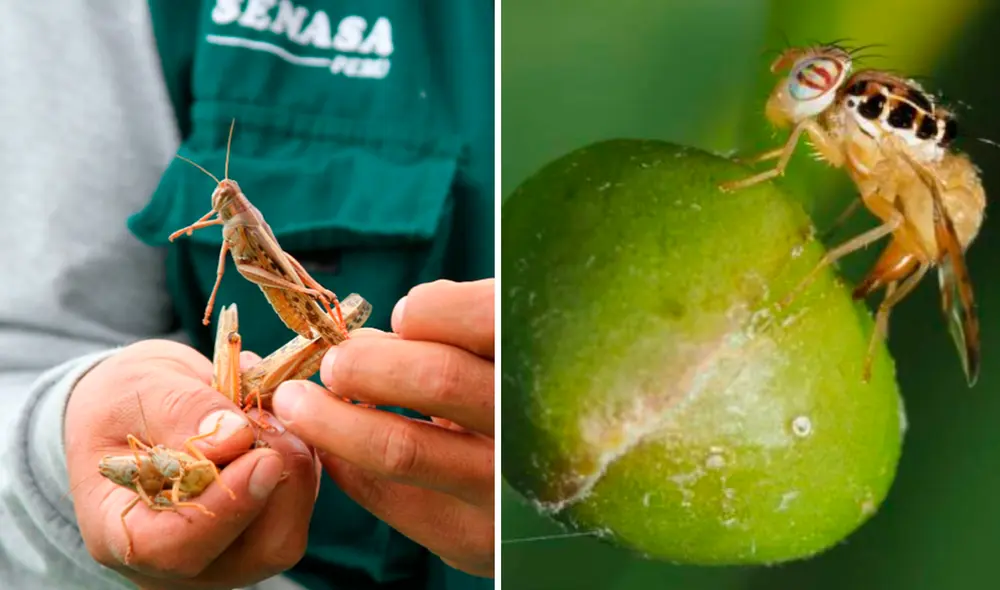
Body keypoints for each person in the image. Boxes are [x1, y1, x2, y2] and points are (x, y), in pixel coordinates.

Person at [0, 2, 494, 589]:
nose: (219, 205)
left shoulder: (245, 228)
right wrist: (58, 449)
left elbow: (266, 265)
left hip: (295, 294)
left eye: (225, 198)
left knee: (266, 273)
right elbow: (26, 352)